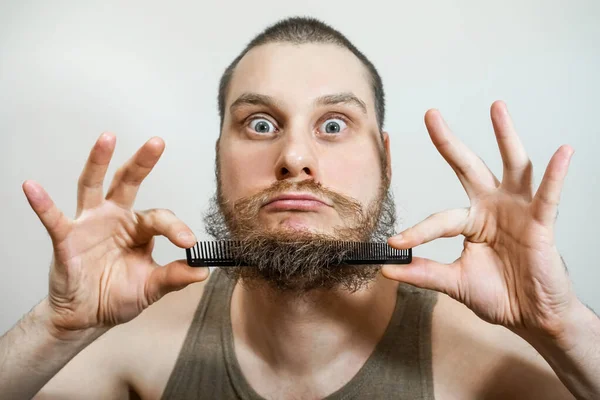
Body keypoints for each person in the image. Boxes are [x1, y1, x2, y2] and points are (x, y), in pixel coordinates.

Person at [1, 16, 598, 400]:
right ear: (219, 159)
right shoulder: (135, 344)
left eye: (333, 124)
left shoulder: (490, 358)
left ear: (384, 159)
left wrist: (560, 324)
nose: (293, 157)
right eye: (260, 124)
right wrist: (56, 327)